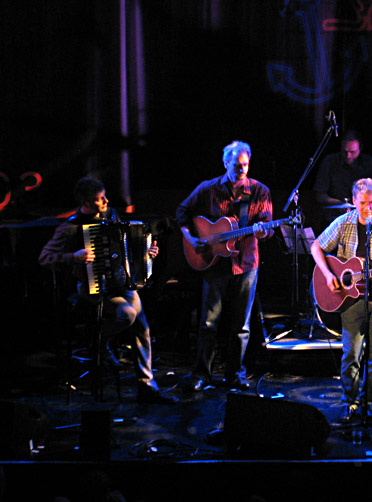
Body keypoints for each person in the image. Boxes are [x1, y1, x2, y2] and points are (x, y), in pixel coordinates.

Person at [39, 177, 177, 404]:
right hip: (93, 288)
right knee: (128, 314)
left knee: (142, 328)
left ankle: (146, 385)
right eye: (99, 199)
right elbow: (45, 257)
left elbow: (129, 246)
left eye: (104, 196)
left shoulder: (111, 216)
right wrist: (72, 257)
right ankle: (98, 343)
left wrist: (147, 253)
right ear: (85, 202)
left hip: (122, 283)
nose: (106, 201)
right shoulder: (71, 227)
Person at [176, 140, 273, 392]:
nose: (241, 169)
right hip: (215, 264)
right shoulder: (208, 189)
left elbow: (266, 227)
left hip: (247, 265)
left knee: (241, 325)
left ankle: (235, 375)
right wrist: (191, 238)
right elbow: (182, 212)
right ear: (225, 163)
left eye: (245, 165)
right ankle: (202, 374)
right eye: (236, 165)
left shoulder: (260, 191)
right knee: (208, 322)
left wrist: (263, 232)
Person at [311, 178, 372, 422]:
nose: (368, 208)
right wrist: (329, 275)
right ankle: (349, 401)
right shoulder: (343, 222)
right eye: (363, 203)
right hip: (350, 300)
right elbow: (316, 247)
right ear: (353, 201)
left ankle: (369, 400)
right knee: (351, 354)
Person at [313, 129, 372, 228]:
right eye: (345, 151)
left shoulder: (369, 163)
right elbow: (320, 195)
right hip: (335, 220)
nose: (348, 156)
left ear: (360, 149)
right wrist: (339, 204)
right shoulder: (329, 163)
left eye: (352, 152)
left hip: (364, 219)